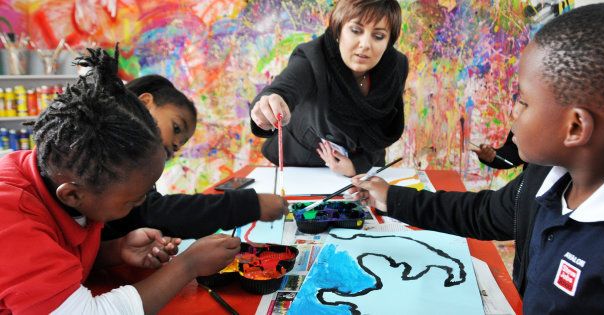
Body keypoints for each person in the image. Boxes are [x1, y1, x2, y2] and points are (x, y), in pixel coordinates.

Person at [351, 3, 604, 313]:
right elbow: (483, 213)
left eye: (523, 101)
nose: (512, 111)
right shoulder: (544, 180)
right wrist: (391, 197)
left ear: (575, 127)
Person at [0, 47, 241, 314]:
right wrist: (187, 265)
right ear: (71, 195)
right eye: (132, 201)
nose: (140, 204)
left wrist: (116, 250)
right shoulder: (11, 219)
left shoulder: (65, 174)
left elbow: (56, 255)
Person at [102, 74, 288, 240]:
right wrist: (251, 205)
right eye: (175, 127)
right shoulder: (104, 154)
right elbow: (153, 212)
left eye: (177, 146)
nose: (171, 147)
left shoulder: (133, 170)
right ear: (145, 103)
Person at [249, 0, 408, 177]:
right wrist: (269, 104)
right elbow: (283, 89)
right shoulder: (312, 57)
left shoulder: (396, 66)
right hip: (303, 166)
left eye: (378, 36)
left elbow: (382, 127)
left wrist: (356, 166)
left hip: (364, 171)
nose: (365, 44)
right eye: (356, 30)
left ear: (388, 42)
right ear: (338, 30)